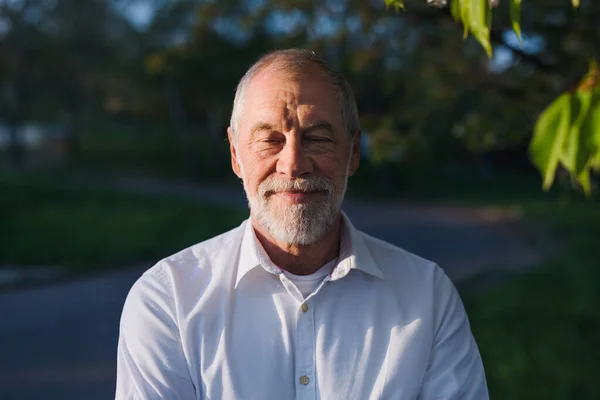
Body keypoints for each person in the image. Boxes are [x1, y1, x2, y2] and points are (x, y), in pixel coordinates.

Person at [115, 49, 489, 400]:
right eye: (270, 140)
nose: (293, 164)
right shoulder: (169, 302)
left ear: (354, 152)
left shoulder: (427, 295)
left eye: (317, 138)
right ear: (235, 155)